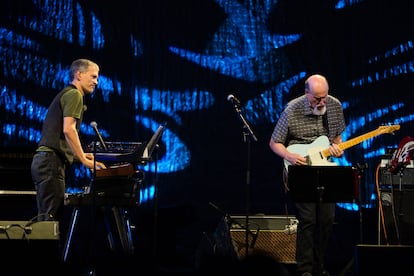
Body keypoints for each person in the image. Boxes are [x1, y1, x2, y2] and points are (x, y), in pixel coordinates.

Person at [269, 74, 346, 276]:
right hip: (300, 167)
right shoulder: (292, 109)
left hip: (324, 167)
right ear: (306, 93)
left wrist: (338, 148)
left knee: (327, 219)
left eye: (324, 97)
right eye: (317, 98)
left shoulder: (334, 106)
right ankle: (305, 270)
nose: (322, 102)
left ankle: (320, 268)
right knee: (308, 219)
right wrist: (289, 155)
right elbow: (274, 142)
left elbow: (337, 139)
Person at [31, 58, 107, 222]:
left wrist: (83, 156)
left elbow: (62, 133)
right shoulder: (74, 94)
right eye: (93, 77)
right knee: (49, 222)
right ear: (79, 74)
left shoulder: (69, 94)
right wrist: (84, 161)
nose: (97, 82)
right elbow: (69, 130)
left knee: (48, 220)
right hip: (50, 162)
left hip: (47, 162)